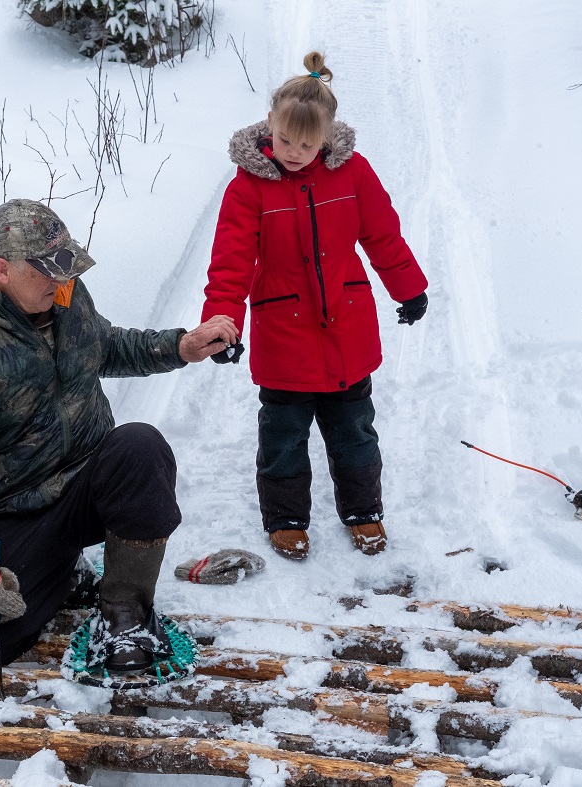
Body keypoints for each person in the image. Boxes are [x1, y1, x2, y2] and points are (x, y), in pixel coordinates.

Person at [0, 198, 237, 673]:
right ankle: (65, 575)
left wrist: (179, 346)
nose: (63, 282)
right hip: (20, 508)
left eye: (66, 269)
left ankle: (125, 613)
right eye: (48, 271)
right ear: (2, 269)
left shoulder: (63, 296)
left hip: (91, 483)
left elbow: (105, 346)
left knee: (141, 446)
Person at [200, 52, 429, 561]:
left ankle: (364, 511)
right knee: (282, 434)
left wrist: (408, 287)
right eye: (284, 141)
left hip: (347, 325)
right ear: (270, 128)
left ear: (326, 137)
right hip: (284, 327)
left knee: (354, 430)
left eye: (306, 144)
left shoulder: (352, 173)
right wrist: (221, 322)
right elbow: (231, 259)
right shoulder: (249, 186)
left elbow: (382, 234)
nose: (294, 153)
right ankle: (285, 518)